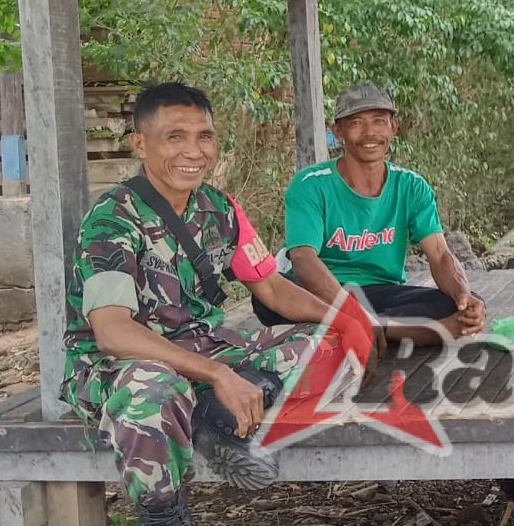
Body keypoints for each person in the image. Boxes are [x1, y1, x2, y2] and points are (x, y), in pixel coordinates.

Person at [61, 82, 361, 526]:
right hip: (120, 364)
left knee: (327, 342)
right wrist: (220, 374)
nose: (194, 151)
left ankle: (210, 412)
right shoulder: (112, 219)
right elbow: (112, 332)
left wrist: (348, 319)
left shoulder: (219, 208)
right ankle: (163, 513)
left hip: (205, 348)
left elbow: (273, 289)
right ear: (140, 144)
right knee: (155, 389)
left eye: (204, 136)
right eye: (175, 137)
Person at [253, 81, 486, 349]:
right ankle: (384, 329)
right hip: (322, 293)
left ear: (393, 127)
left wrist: (463, 297)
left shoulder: (411, 186)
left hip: (380, 292)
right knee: (267, 297)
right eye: (356, 123)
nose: (369, 132)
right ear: (337, 131)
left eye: (378, 121)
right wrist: (351, 312)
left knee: (461, 307)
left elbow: (440, 254)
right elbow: (303, 258)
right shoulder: (311, 184)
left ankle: (366, 329)